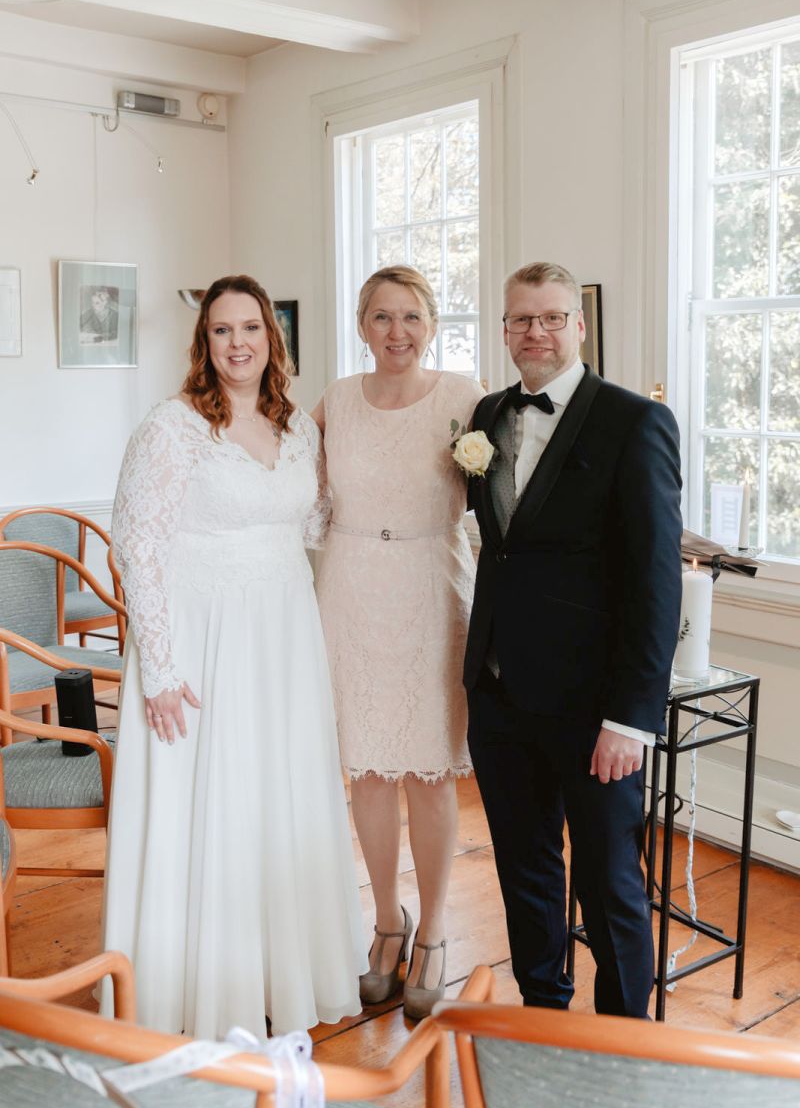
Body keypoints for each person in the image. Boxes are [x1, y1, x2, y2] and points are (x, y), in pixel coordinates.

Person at [101, 274, 366, 1040]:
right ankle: (196, 990)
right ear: (204, 343)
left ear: (272, 338)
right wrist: (160, 666)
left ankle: (281, 973)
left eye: (251, 327)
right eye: (222, 331)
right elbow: (137, 546)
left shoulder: (301, 430)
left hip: (282, 635)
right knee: (207, 798)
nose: (238, 342)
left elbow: (316, 525)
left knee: (274, 797)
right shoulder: (171, 427)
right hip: (200, 638)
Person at [464, 261, 682, 1019]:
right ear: (504, 329)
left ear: (579, 326)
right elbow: (501, 547)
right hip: (498, 694)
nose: (536, 333)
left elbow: (657, 583)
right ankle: (543, 1015)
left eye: (552, 317)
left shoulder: (634, 421)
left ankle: (626, 1044)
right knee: (525, 870)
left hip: (595, 711)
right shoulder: (486, 415)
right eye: (521, 320)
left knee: (609, 881)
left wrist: (631, 717)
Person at [313, 265, 483, 1019]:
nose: (397, 332)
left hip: (432, 585)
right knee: (370, 771)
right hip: (349, 584)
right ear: (361, 324)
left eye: (411, 317)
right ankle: (387, 922)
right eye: (382, 317)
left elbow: (504, 497)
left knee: (430, 767)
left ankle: (437, 926)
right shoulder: (335, 401)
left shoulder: (464, 398)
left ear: (432, 324)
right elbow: (300, 490)